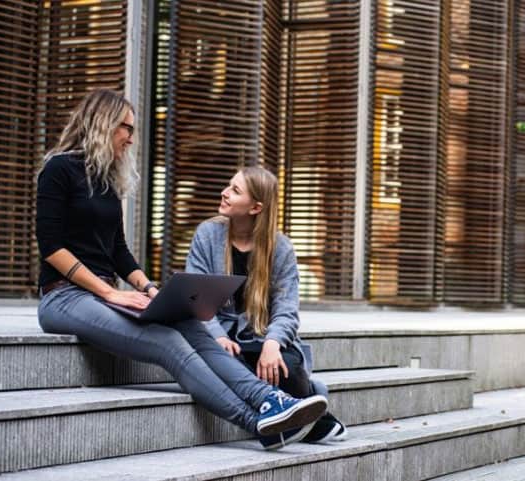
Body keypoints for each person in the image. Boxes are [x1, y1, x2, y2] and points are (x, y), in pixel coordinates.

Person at [35, 89, 327, 450]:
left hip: (104, 296)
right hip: (64, 298)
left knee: (189, 322)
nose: (130, 136)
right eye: (125, 127)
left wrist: (151, 291)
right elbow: (51, 248)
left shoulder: (106, 182)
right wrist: (110, 292)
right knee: (168, 341)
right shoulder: (58, 169)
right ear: (102, 123)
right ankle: (257, 423)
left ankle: (270, 400)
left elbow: (118, 251)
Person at [185, 166, 347, 448]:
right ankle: (313, 416)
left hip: (260, 336)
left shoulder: (280, 247)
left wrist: (273, 344)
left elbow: (287, 309)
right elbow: (196, 296)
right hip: (220, 336)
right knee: (226, 364)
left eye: (235, 191)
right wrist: (218, 336)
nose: (224, 193)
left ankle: (297, 410)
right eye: (228, 185)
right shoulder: (207, 234)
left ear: (255, 207)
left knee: (288, 365)